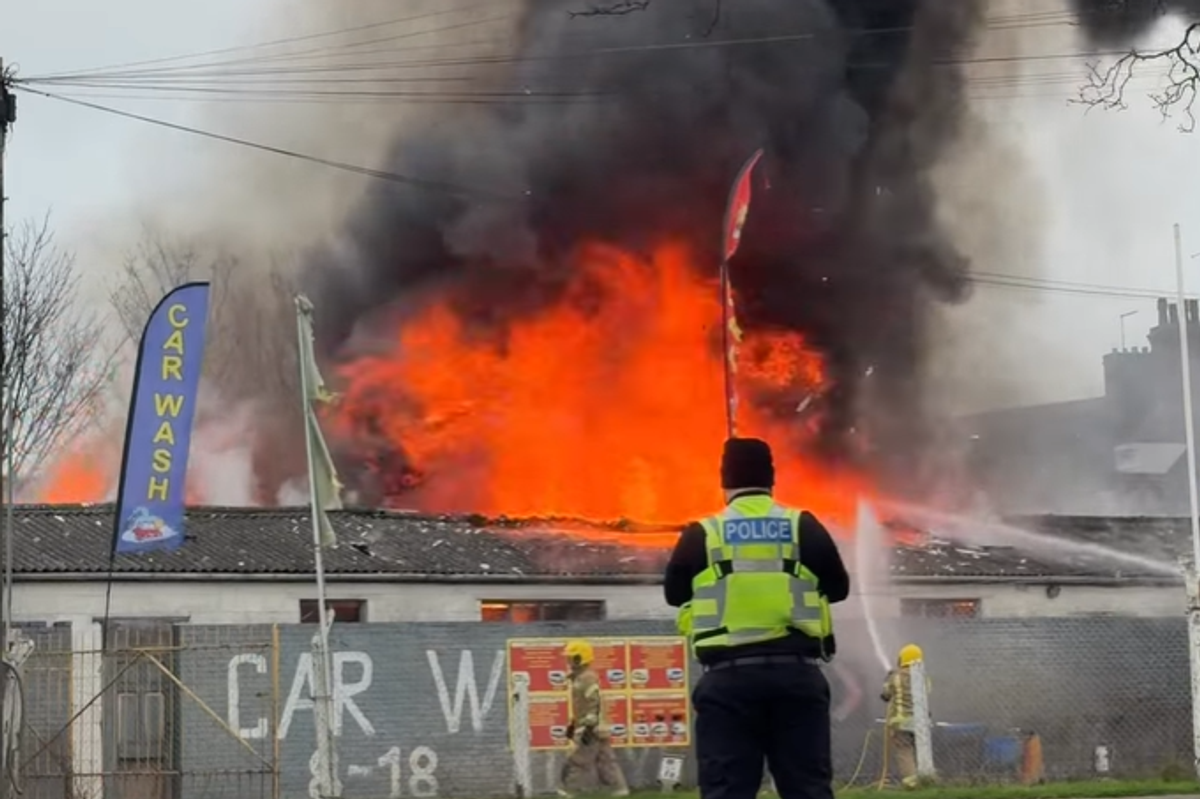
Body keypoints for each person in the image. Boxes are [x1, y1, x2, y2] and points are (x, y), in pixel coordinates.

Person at [665, 437, 851, 799]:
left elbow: (675, 595)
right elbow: (838, 587)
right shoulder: (802, 525)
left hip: (727, 684)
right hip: (796, 677)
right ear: (772, 479)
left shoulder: (703, 533)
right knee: (808, 790)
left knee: (727, 791)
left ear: (724, 481)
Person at [558, 639, 629, 798]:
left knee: (578, 760)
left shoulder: (586, 678)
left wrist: (588, 727)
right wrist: (573, 724)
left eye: (571, 657)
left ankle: (570, 791)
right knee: (606, 760)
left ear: (579, 658)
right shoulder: (580, 677)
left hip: (592, 727)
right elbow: (582, 705)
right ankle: (619, 790)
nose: (568, 660)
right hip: (597, 727)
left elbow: (594, 702)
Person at [881, 644, 932, 790]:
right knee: (921, 750)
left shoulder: (895, 677)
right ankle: (926, 778)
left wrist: (888, 679)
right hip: (921, 722)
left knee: (905, 750)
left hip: (901, 722)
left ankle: (911, 784)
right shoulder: (923, 677)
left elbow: (886, 695)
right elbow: (927, 692)